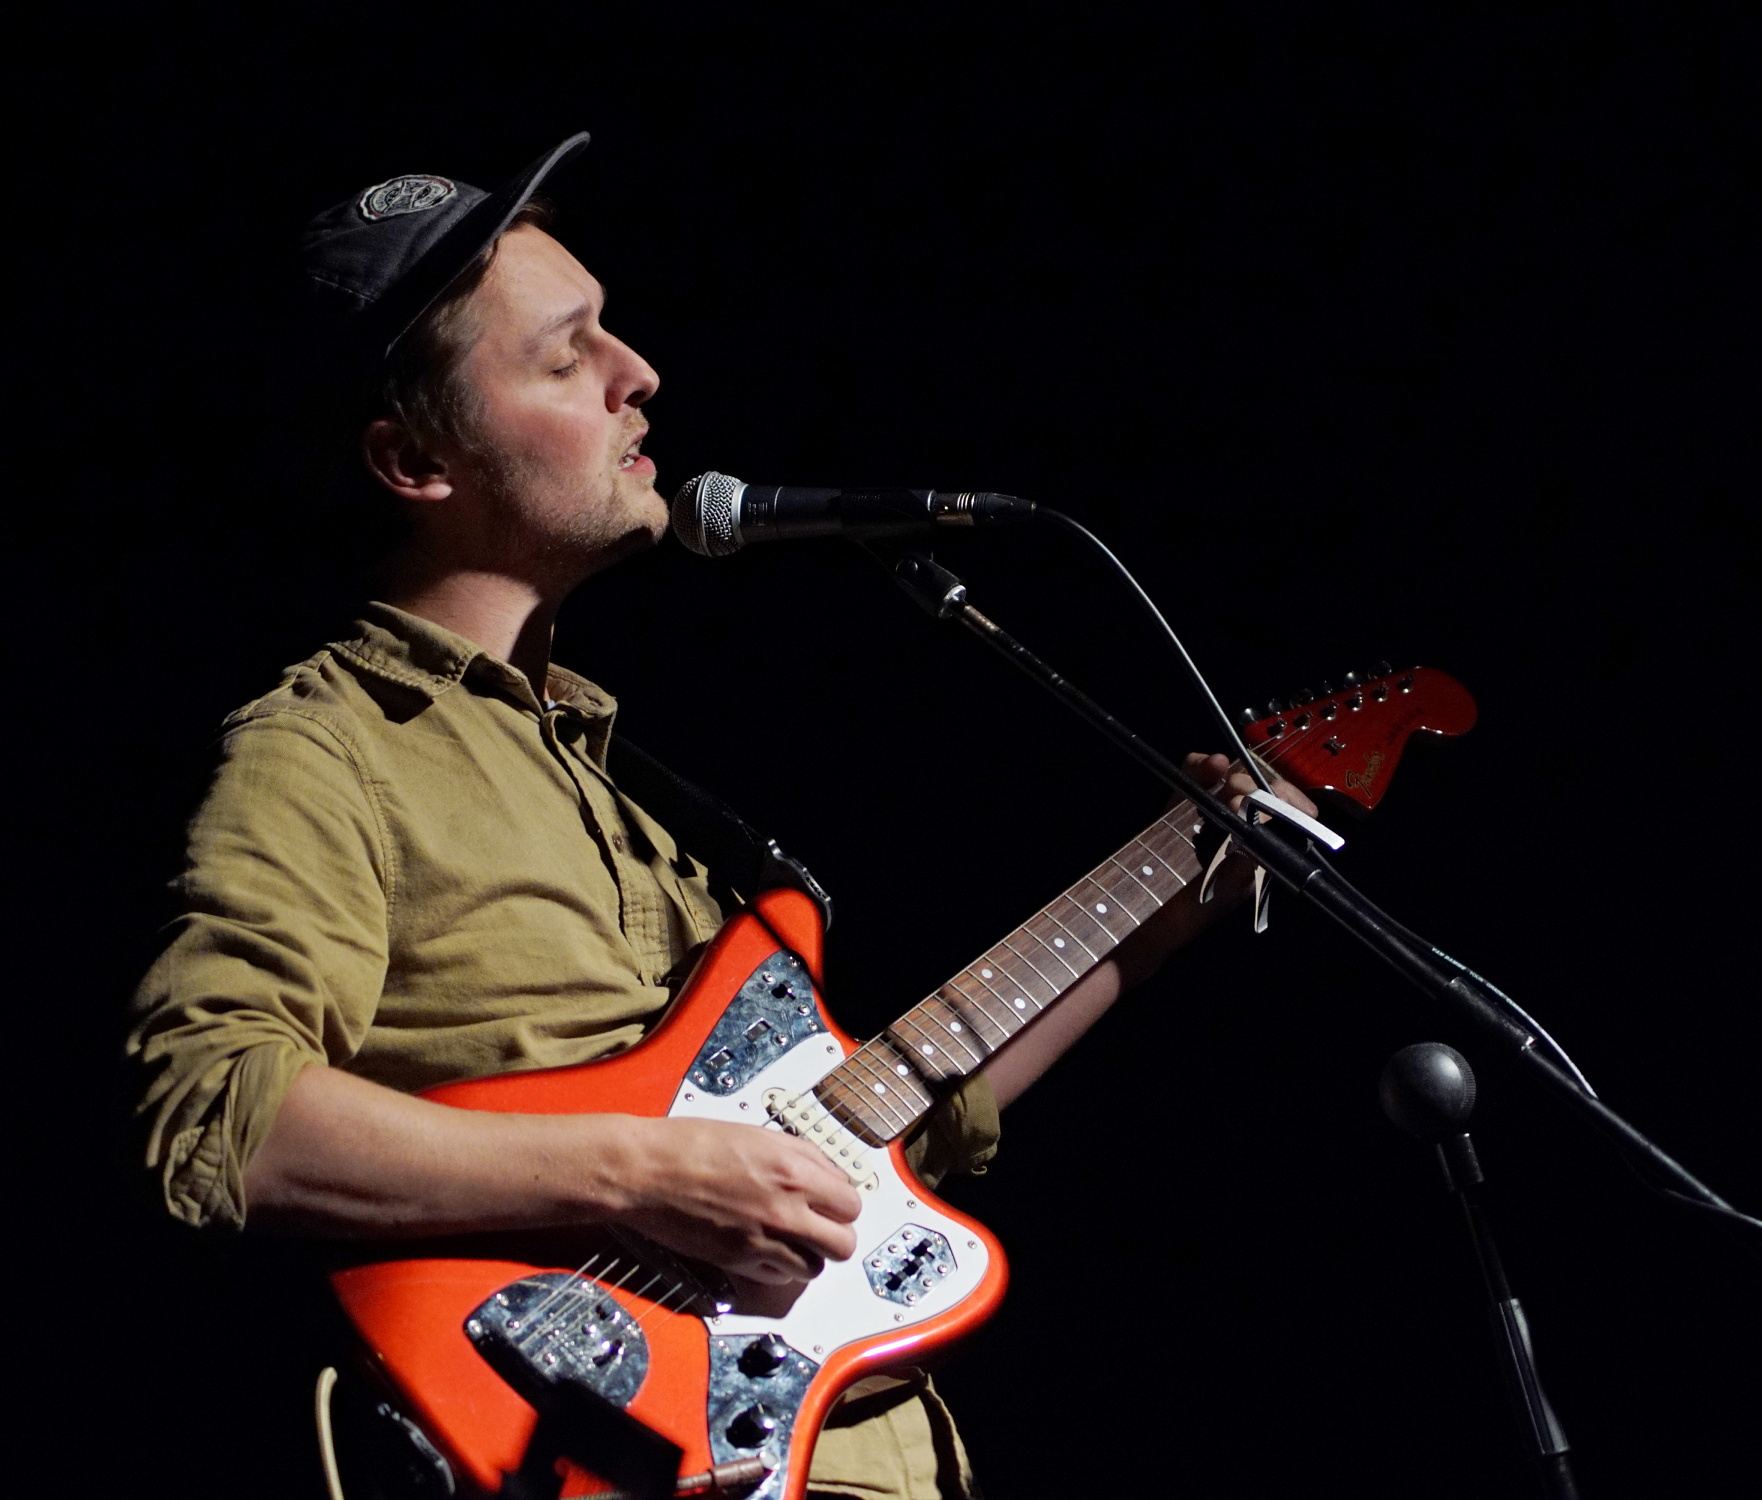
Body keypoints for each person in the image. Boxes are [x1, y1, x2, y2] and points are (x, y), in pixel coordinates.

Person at [125, 133, 1302, 1500]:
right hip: (578, 1445)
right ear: (413, 458)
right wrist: (645, 1175)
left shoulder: (623, 784)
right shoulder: (327, 749)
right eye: (565, 359)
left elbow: (857, 1131)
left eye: (612, 331)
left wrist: (1176, 896)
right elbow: (220, 1122)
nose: (638, 374)